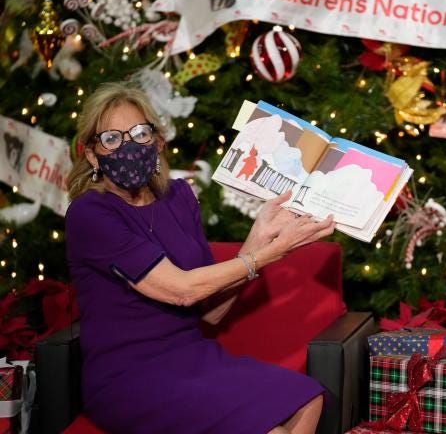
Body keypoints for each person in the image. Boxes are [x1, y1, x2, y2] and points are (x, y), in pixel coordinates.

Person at [65, 82, 336, 434]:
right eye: (112, 139)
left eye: (139, 133)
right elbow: (182, 291)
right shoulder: (91, 213)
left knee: (307, 398)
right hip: (128, 376)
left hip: (191, 357)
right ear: (91, 155)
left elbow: (211, 311)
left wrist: (259, 236)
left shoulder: (179, 197)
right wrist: (269, 255)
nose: (128, 146)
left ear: (158, 141)